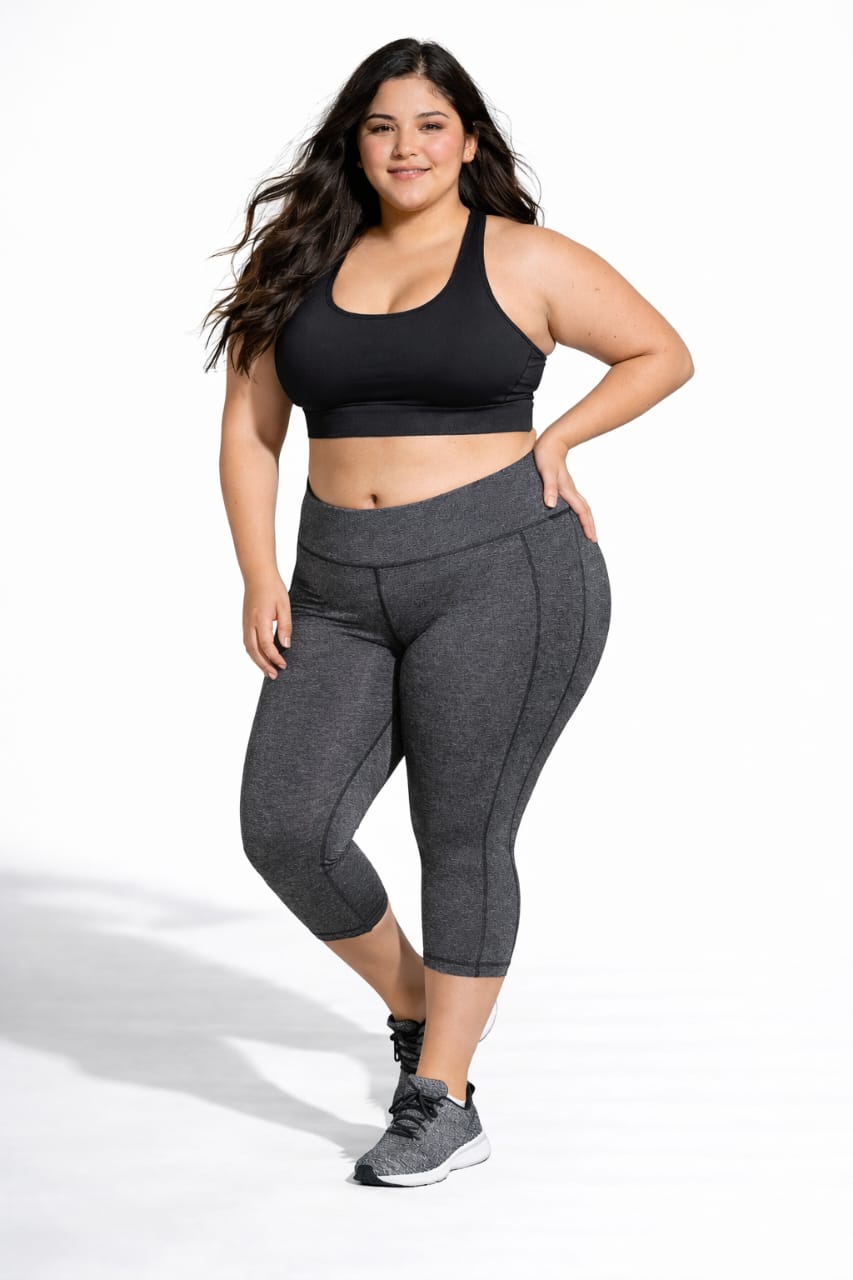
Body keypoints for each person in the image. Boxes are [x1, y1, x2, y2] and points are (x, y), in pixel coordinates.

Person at [201, 36, 694, 1189]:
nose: (406, 146)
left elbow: (660, 352)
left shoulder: (521, 256)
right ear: (355, 141)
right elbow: (250, 430)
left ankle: (444, 1095)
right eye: (383, 125)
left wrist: (559, 438)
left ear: (468, 140)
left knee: (459, 832)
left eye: (430, 124)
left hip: (501, 570)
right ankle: (426, 1000)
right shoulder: (298, 260)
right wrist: (258, 572)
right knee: (286, 825)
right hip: (334, 584)